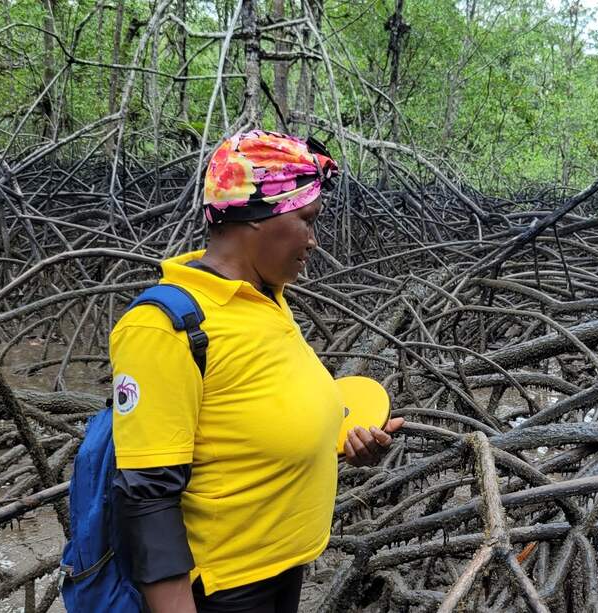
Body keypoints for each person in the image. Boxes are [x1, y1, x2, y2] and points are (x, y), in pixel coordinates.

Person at [109, 130, 404, 613]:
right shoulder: (162, 327)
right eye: (308, 220)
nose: (314, 241)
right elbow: (146, 498)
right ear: (255, 217)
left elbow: (250, 418)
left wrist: (339, 441)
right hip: (225, 589)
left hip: (280, 568)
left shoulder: (263, 296)